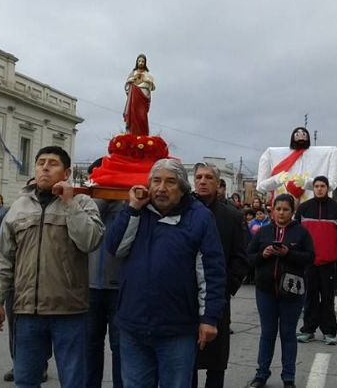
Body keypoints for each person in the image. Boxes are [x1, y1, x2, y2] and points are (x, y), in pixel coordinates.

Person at [0, 146, 104, 386]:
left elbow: (90, 241)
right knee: (25, 381)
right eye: (41, 163)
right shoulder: (19, 206)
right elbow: (4, 258)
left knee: (74, 382)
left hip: (70, 312)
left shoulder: (83, 203)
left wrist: (69, 203)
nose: (45, 168)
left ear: (67, 172)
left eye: (53, 163)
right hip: (27, 312)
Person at [105, 159, 226, 388]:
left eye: (170, 182)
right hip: (133, 324)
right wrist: (132, 209)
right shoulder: (137, 211)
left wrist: (209, 318)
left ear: (182, 188)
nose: (161, 188)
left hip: (177, 329)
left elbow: (212, 271)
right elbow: (115, 247)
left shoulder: (199, 217)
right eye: (156, 181)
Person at [191, 162, 250, 388]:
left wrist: (226, 288)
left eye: (209, 177)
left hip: (217, 297)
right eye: (199, 177)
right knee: (188, 359)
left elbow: (240, 258)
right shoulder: (185, 211)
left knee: (216, 360)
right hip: (187, 296)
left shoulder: (232, 216)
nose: (203, 181)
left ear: (218, 184)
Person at [247, 194, 315, 388]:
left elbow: (310, 257)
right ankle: (261, 375)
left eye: (286, 209)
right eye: (278, 209)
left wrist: (288, 253)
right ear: (272, 211)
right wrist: (263, 254)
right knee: (267, 333)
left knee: (288, 334)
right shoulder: (263, 232)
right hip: (265, 291)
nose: (281, 213)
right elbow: (249, 258)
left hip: (292, 292)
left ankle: (288, 377)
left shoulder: (301, 233)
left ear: (292, 212)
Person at [295, 176, 337, 344]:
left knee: (327, 298)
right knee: (309, 297)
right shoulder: (303, 208)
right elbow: (297, 234)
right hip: (308, 262)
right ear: (313, 188)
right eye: (316, 186)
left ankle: (329, 332)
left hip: (328, 262)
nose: (319, 189)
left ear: (327, 188)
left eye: (322, 186)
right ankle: (308, 330)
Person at [87, 198, 125, 388]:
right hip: (90, 286)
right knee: (90, 345)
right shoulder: (89, 204)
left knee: (120, 347)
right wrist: (100, 199)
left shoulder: (128, 205)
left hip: (120, 289)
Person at [256, 127, 337, 204]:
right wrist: (277, 179)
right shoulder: (271, 154)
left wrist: (306, 182)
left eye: (303, 134)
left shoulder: (328, 152)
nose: (300, 137)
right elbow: (261, 186)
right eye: (297, 134)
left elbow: (332, 184)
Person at [123, 53, 155, 136]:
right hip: (134, 97)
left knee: (142, 116)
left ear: (145, 63)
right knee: (133, 115)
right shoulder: (133, 73)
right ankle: (133, 134)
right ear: (137, 62)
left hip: (143, 97)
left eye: (142, 61)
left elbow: (153, 87)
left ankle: (143, 135)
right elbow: (127, 86)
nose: (141, 63)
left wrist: (147, 80)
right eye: (139, 61)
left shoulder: (148, 74)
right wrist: (130, 81)